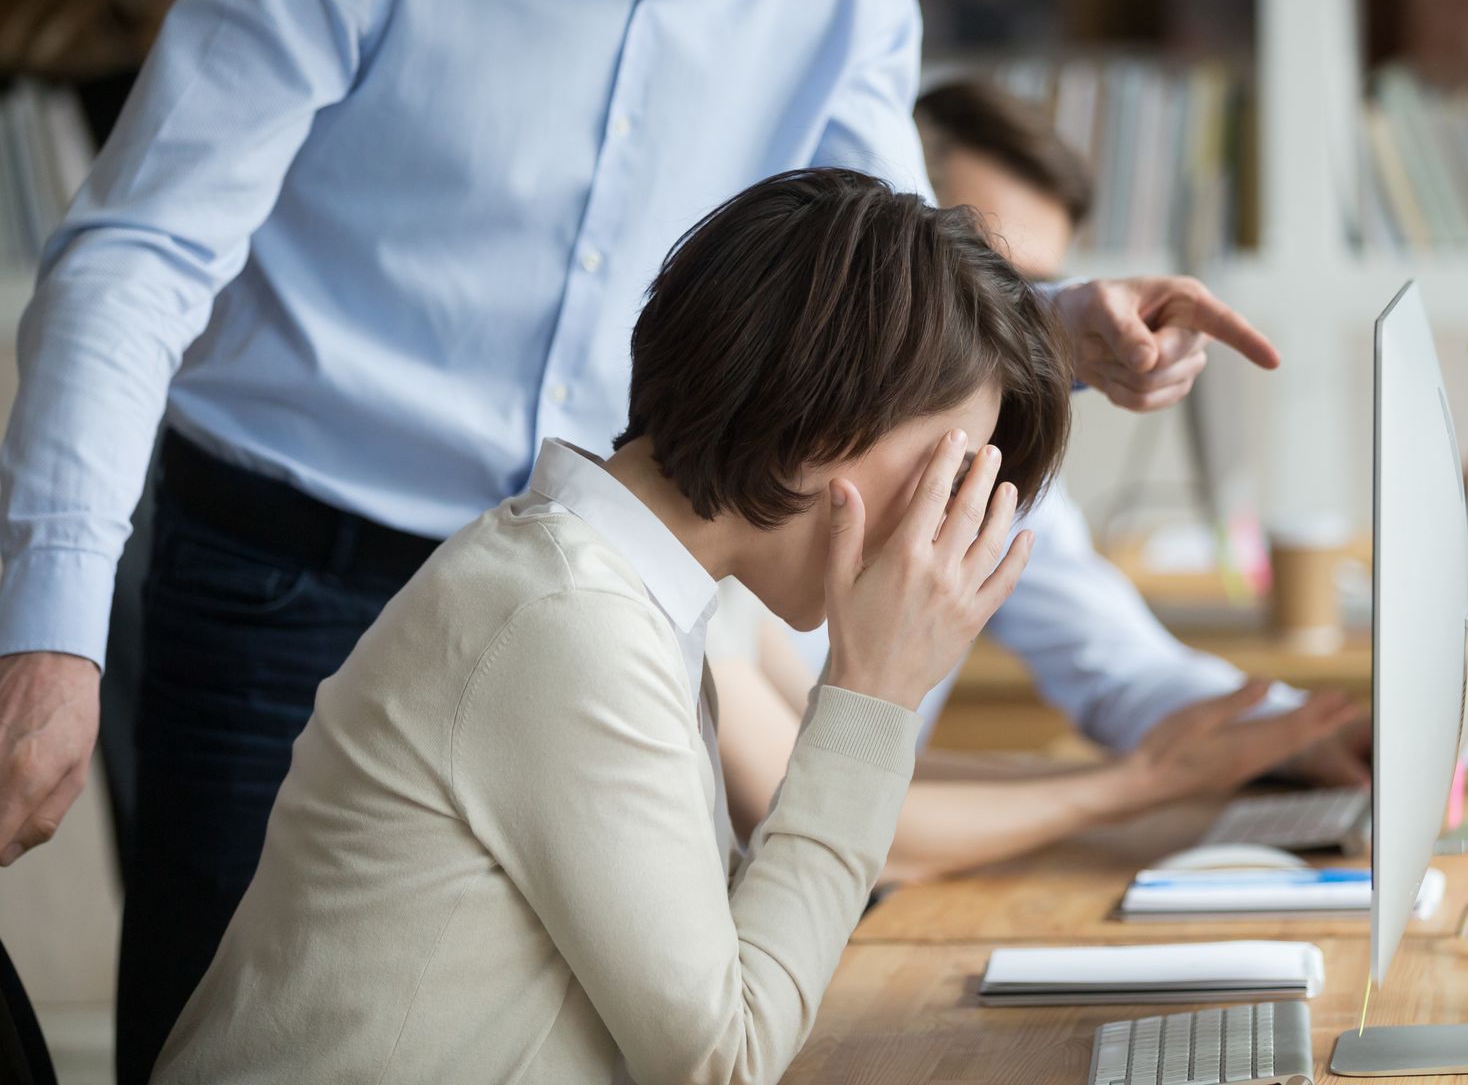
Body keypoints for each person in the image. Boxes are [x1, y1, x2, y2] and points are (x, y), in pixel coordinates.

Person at [0, 0, 1300, 1078]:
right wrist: (51, 632)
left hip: (616, 571)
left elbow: (887, 315)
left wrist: (1056, 329)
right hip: (292, 564)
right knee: (275, 1018)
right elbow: (139, 258)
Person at [150, 168, 1069, 1083]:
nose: (935, 529)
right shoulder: (569, 620)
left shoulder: (622, 591)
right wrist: (875, 695)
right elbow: (728, 1056)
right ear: (819, 415)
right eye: (938, 478)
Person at [711, 81, 1367, 883]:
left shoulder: (985, 482)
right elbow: (816, 813)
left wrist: (1281, 735)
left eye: (1030, 291)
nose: (1010, 328)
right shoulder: (748, 524)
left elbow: (869, 778)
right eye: (984, 277)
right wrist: (1136, 787)